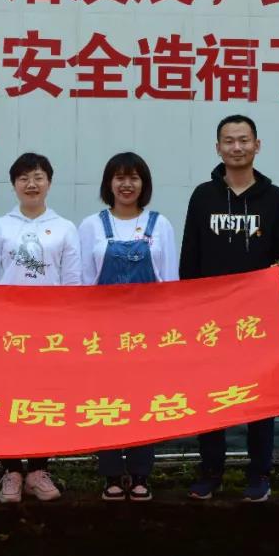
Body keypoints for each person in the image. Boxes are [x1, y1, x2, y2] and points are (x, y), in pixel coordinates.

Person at [179, 114, 279, 502]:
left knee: (260, 396)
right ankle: (211, 470)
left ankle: (259, 472)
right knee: (210, 396)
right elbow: (190, 258)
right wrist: (190, 312)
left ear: (257, 145)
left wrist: (271, 303)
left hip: (256, 320)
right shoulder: (203, 196)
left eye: (244, 140)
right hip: (210, 319)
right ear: (218, 148)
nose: (237, 147)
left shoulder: (275, 198)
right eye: (229, 141)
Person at [0, 152, 79, 504]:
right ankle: (11, 471)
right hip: (7, 327)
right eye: (23, 178)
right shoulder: (0, 227)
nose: (31, 184)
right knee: (6, 398)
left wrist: (67, 326)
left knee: (44, 398)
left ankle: (38, 469)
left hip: (49, 329)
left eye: (38, 177)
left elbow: (73, 283)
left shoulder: (65, 228)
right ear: (14, 185)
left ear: (49, 182)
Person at [78, 151, 178, 502]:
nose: (126, 184)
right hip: (103, 331)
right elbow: (83, 283)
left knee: (143, 402)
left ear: (143, 184)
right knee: (105, 401)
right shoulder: (91, 226)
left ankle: (140, 474)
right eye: (119, 177)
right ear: (109, 183)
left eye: (134, 177)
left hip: (147, 331)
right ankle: (109, 474)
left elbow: (169, 282)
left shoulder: (160, 225)